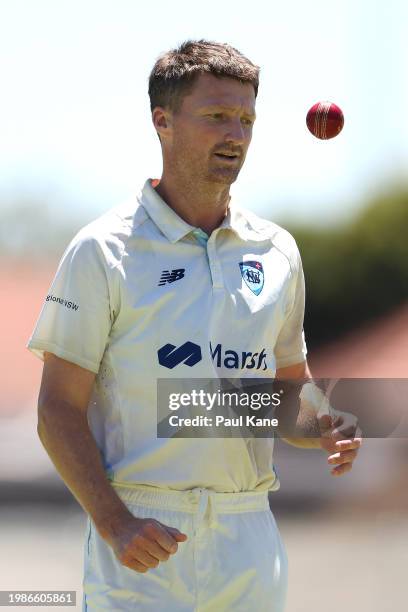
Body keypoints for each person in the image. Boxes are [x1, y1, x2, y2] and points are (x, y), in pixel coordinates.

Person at [27, 39, 362, 611]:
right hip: (142, 532)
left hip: (248, 531)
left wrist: (321, 424)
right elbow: (56, 409)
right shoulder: (102, 250)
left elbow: (285, 395)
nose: (235, 135)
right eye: (216, 116)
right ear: (163, 121)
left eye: (246, 120)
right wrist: (114, 522)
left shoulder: (276, 250)